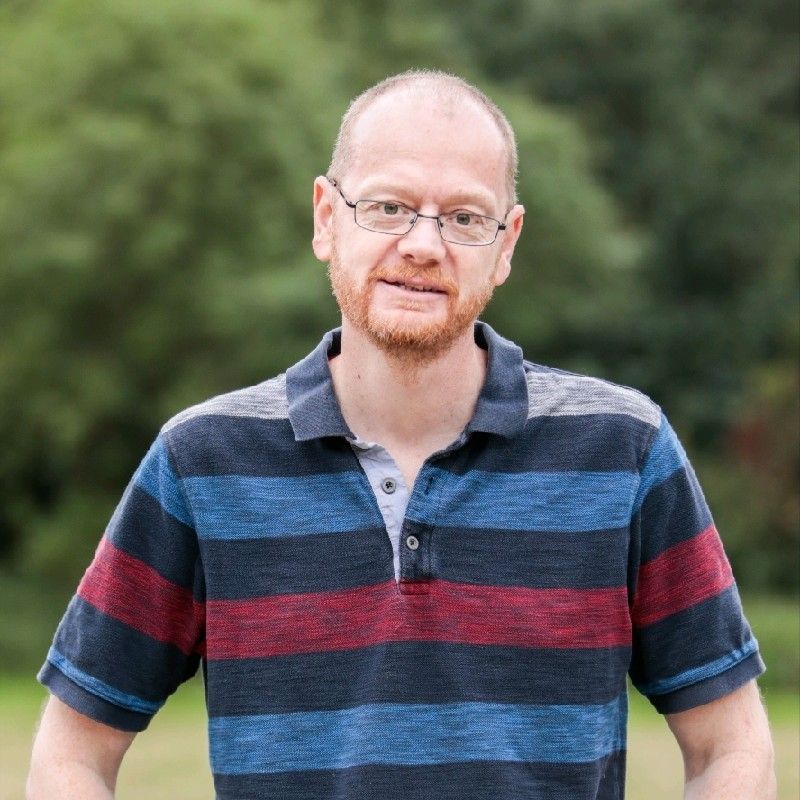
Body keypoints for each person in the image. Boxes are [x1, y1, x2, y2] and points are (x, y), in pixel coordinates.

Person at [27, 70, 775, 800]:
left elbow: (730, 747)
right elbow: (72, 754)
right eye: (388, 206)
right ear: (326, 218)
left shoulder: (624, 449)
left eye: (464, 217)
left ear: (506, 244)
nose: (423, 245)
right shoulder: (202, 461)